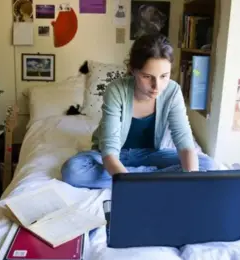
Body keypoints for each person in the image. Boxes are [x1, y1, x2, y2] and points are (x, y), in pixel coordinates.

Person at [61, 33, 218, 189]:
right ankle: (151, 177)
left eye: (164, 76)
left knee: (207, 165)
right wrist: (131, 186)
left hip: (151, 154)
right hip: (115, 156)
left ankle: (135, 176)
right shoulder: (116, 90)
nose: (157, 86)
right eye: (147, 76)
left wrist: (191, 179)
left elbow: (185, 143)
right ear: (133, 70)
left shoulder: (172, 91)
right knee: (73, 171)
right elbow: (109, 152)